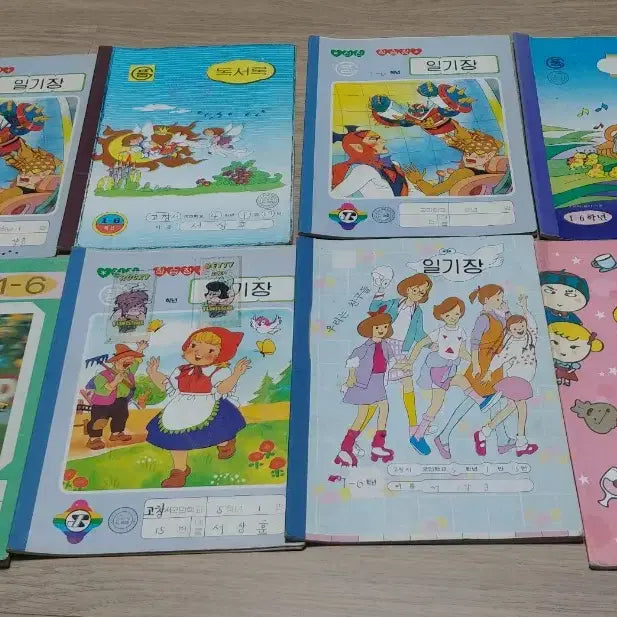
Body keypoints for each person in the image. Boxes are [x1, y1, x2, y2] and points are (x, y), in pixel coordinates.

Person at [145, 327, 249, 488]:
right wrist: (153, 373)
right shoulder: (181, 371)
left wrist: (235, 375)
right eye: (194, 346)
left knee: (218, 432)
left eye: (210, 350)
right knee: (176, 440)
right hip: (180, 407)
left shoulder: (219, 371)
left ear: (221, 354)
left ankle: (225, 443)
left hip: (208, 404)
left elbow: (222, 389)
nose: (198, 353)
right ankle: (179, 471)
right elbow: (167, 387)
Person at [434, 284, 513, 459]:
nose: (501, 301)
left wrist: (507, 312)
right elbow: (474, 343)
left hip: (494, 363)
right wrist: (476, 365)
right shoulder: (483, 318)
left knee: (493, 401)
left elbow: (510, 330)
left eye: (501, 298)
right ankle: (443, 436)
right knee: (475, 400)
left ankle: (502, 440)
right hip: (483, 363)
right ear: (487, 300)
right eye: (498, 298)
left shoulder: (498, 316)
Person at [363, 272, 433, 436]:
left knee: (407, 382)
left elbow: (419, 333)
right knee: (378, 388)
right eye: (415, 290)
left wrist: (431, 344)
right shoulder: (393, 304)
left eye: (422, 292)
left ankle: (413, 426)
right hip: (384, 346)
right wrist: (380, 289)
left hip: (402, 349)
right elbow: (373, 309)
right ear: (408, 288)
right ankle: (357, 431)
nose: (417, 294)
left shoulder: (418, 312)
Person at [474, 295, 539, 457]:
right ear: (510, 331)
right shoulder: (511, 344)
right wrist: (489, 372)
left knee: (510, 408)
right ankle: (521, 442)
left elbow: (532, 324)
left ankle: (484, 432)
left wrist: (524, 308)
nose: (520, 329)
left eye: (522, 326)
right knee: (522, 408)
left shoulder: (531, 337)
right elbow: (500, 357)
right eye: (515, 329)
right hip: (516, 380)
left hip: (523, 380)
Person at [404, 297, 471, 455]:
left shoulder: (461, 332)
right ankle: (418, 436)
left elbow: (462, 352)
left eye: (456, 314)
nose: (453, 317)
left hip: (450, 369)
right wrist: (410, 362)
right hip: (438, 369)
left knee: (459, 383)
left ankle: (482, 401)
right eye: (448, 315)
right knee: (436, 404)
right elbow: (420, 344)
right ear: (442, 315)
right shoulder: (440, 332)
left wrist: (475, 362)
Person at [335, 307, 397, 467]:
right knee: (362, 416)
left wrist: (404, 366)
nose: (382, 330)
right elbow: (352, 361)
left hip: (378, 381)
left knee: (384, 409)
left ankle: (378, 445)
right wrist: (351, 377)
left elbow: (392, 361)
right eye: (378, 327)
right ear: (371, 329)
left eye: (385, 327)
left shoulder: (386, 345)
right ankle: (345, 448)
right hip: (364, 383)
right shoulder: (365, 347)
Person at [86, 341, 148, 450]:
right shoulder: (103, 375)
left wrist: (140, 349)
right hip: (102, 404)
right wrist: (115, 381)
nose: (130, 362)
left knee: (121, 416)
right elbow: (102, 390)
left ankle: (116, 433)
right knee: (99, 421)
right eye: (126, 359)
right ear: (117, 361)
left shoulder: (128, 372)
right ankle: (94, 439)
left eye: (131, 359)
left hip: (120, 401)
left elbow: (136, 362)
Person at [330, 128, 410, 198]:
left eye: (380, 138)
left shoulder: (394, 165)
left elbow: (411, 192)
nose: (383, 141)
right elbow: (335, 195)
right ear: (358, 147)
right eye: (374, 139)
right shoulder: (363, 170)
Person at [549, 322, 604, 386]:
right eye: (555, 343)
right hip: (558, 370)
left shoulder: (570, 361)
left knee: (567, 376)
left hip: (567, 370)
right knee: (558, 375)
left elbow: (576, 365)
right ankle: (559, 380)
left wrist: (573, 368)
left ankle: (566, 381)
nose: (563, 351)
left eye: (573, 347)